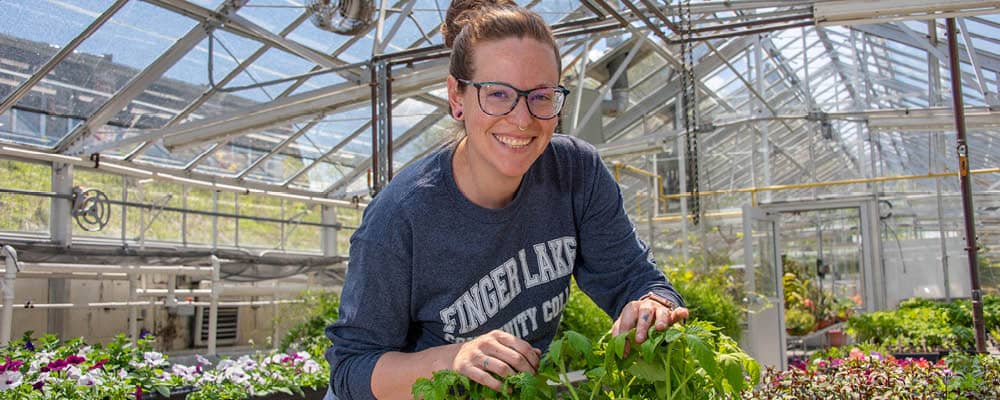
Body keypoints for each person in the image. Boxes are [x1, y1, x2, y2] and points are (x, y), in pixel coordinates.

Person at [325, 1, 687, 398]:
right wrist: (453, 359)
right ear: (457, 97)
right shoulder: (400, 218)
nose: (522, 119)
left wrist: (653, 304)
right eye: (498, 94)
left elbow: (634, 278)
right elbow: (350, 370)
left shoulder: (576, 172)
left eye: (542, 96)